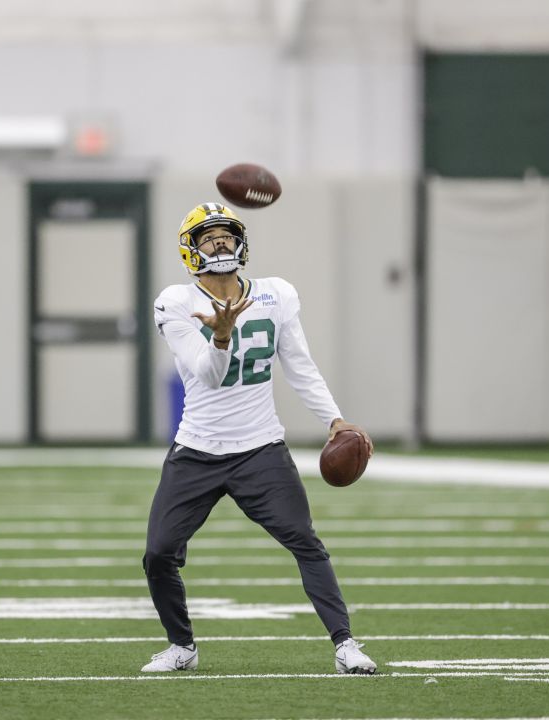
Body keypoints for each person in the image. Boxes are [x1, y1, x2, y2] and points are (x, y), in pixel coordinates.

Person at [140, 202, 377, 675]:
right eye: (209, 237)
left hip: (260, 448)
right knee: (158, 554)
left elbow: (298, 364)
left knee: (306, 542)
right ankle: (182, 646)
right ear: (191, 250)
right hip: (199, 450)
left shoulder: (276, 294)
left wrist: (334, 419)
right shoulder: (176, 303)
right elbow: (209, 376)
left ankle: (346, 644)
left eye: (227, 234)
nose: (220, 243)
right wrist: (222, 337)